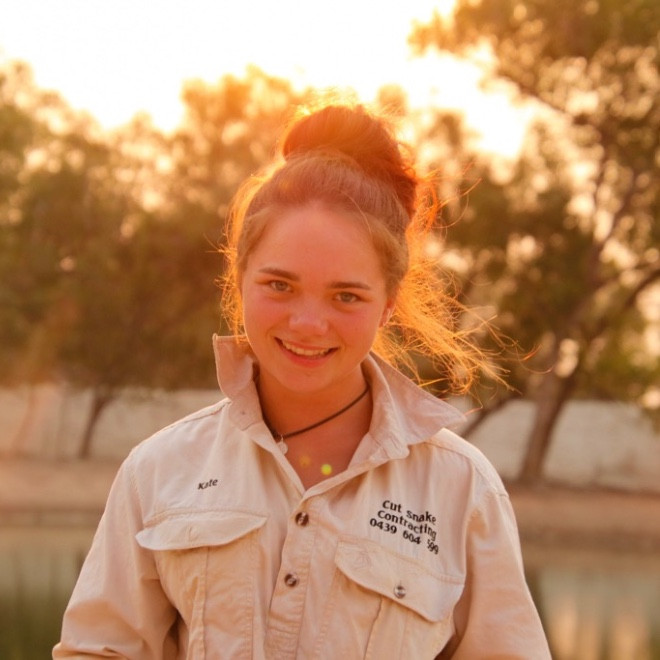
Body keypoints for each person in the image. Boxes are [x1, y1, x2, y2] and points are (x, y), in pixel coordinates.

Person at [54, 102, 550, 658]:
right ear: (240, 278)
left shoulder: (462, 489)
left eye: (346, 296)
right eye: (279, 286)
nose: (308, 324)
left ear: (387, 304)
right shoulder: (159, 470)